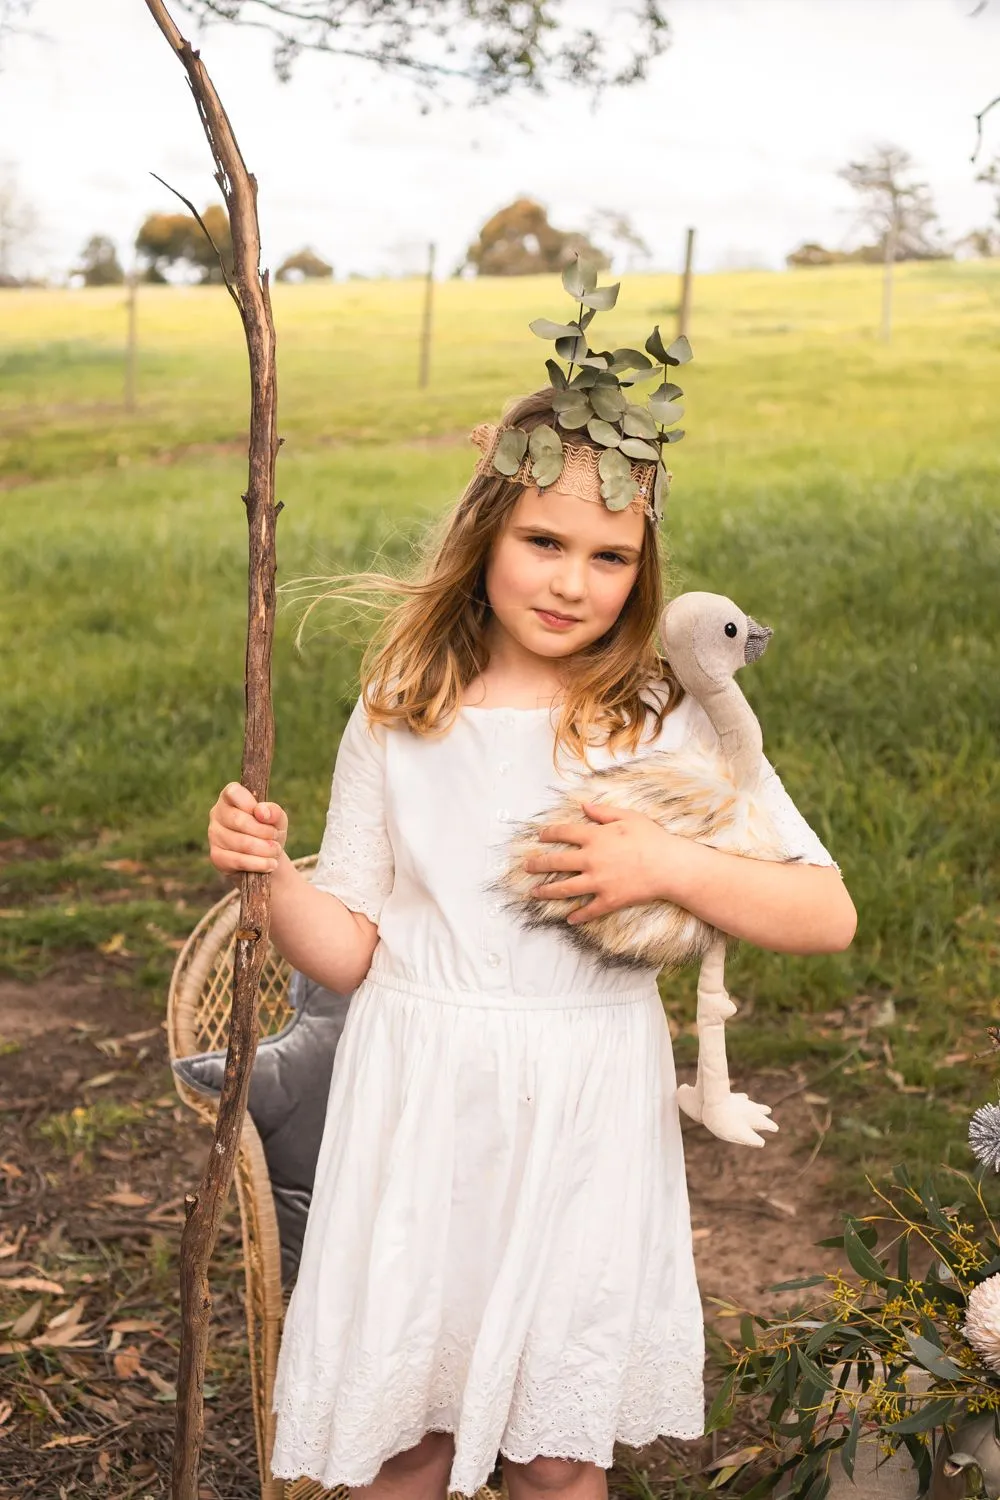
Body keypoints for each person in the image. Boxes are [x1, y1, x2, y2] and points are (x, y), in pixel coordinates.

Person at [207, 340, 857, 1500]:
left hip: (584, 1105)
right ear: (484, 539)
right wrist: (272, 881)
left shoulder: (665, 715)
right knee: (402, 1444)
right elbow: (350, 949)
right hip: (419, 1099)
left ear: (644, 570)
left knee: (554, 1461)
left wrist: (666, 861)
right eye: (542, 542)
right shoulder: (402, 711)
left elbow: (825, 912)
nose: (571, 582)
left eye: (610, 556)